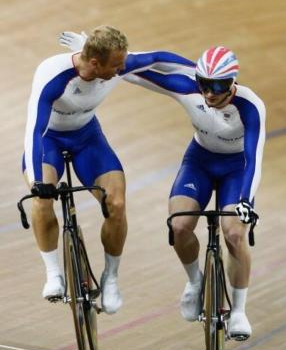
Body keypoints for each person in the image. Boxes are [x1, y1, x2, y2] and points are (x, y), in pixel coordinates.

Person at [61, 34, 265, 338]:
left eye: (218, 86)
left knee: (235, 234)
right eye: (203, 83)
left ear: (232, 82)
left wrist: (246, 201)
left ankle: (238, 311)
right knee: (180, 225)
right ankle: (195, 282)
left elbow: (254, 157)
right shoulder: (189, 88)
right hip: (199, 161)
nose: (209, 92)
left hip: (237, 169)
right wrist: (91, 47)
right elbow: (134, 69)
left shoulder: (250, 106)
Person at [23, 25, 195, 315]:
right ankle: (53, 273)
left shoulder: (116, 64)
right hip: (47, 139)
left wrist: (202, 74)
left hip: (87, 138)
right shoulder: (53, 75)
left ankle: (111, 277)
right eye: (116, 65)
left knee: (116, 203)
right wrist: (39, 182)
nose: (123, 69)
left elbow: (162, 58)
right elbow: (34, 129)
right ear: (94, 63)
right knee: (42, 199)